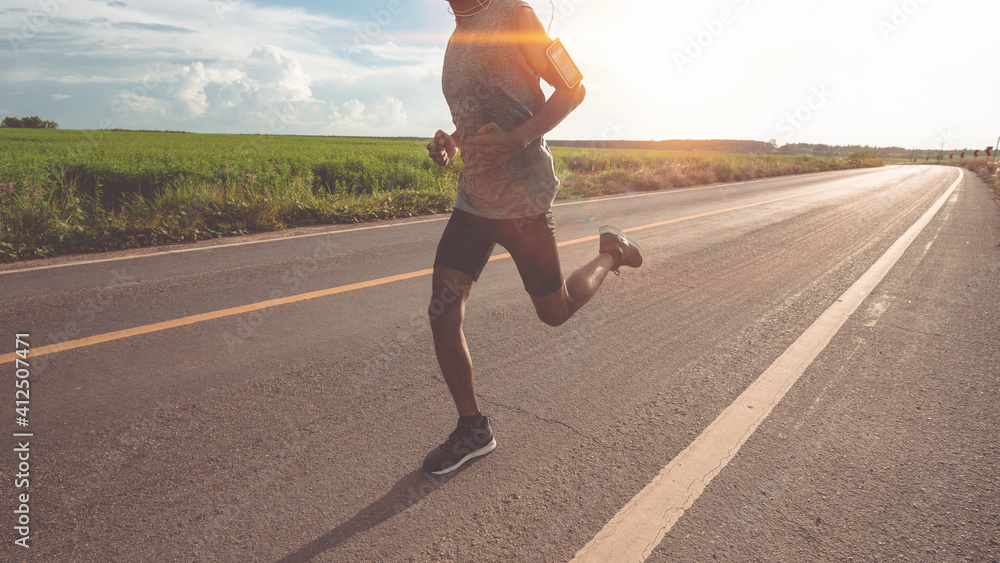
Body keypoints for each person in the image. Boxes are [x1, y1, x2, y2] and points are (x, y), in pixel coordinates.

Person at [423, 0, 643, 475]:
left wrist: (519, 138)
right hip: (474, 202)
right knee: (443, 310)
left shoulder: (517, 15)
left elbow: (574, 87)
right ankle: (473, 429)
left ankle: (610, 253)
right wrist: (451, 144)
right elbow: (475, 115)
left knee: (555, 312)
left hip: (524, 203)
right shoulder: (457, 38)